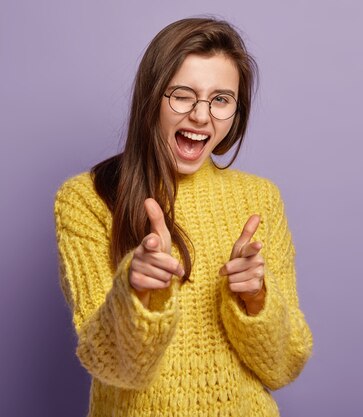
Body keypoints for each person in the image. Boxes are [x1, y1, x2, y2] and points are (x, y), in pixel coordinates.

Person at [54, 17, 313, 416]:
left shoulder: (261, 198)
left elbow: (283, 365)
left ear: (236, 111)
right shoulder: (87, 198)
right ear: (152, 96)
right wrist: (137, 292)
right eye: (182, 95)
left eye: (221, 99)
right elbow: (111, 364)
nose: (201, 116)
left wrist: (256, 298)